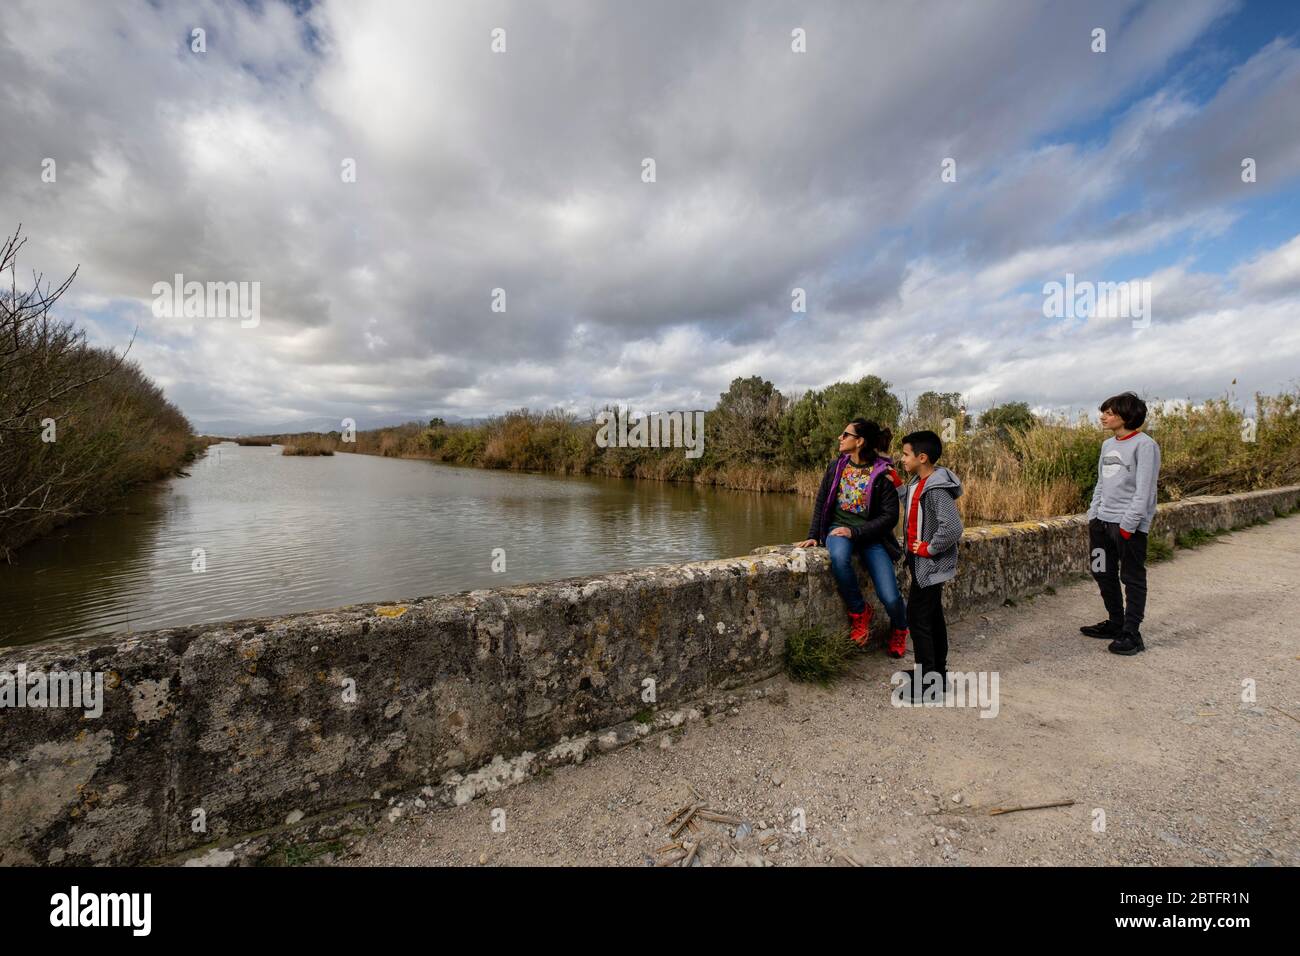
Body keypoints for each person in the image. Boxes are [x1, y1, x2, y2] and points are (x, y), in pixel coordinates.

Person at [795, 419, 908, 652]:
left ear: (859, 441)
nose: (840, 438)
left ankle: (899, 629)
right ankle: (859, 611)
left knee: (890, 596)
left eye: (845, 434)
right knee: (838, 559)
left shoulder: (883, 473)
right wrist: (814, 534)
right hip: (838, 529)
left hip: (871, 537)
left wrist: (855, 531)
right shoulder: (837, 466)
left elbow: (890, 518)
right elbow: (821, 500)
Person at [1082, 391, 1161, 656]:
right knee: (1101, 570)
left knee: (1131, 577)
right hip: (1101, 524)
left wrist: (1128, 524)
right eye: (1103, 411)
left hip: (1127, 528)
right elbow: (1102, 483)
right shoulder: (1108, 445)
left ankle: (1132, 633)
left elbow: (1145, 490)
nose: (1103, 416)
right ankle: (1115, 622)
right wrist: (1094, 514)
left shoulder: (1145, 445)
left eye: (1109, 412)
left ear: (1126, 415)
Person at [898, 430, 964, 702]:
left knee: (918, 618)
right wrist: (896, 486)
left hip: (929, 563)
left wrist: (928, 548)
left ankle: (928, 684)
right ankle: (937, 673)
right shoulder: (918, 483)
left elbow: (953, 527)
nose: (901, 459)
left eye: (905, 454)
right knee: (933, 616)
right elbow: (914, 507)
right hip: (920, 562)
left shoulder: (936, 488)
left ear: (921, 457)